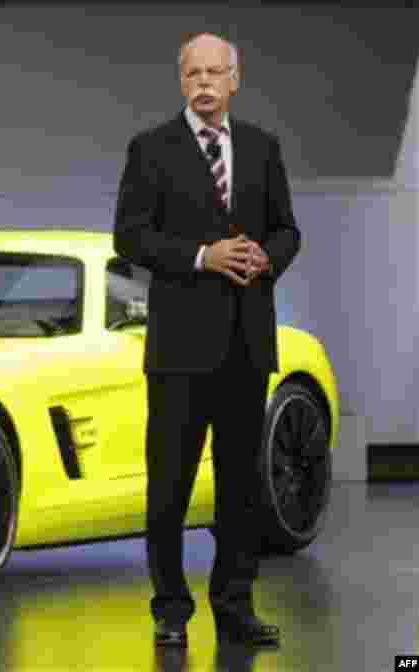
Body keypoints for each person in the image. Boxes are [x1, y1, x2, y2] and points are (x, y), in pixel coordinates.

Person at [113, 33, 300, 648]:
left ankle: (235, 606)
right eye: (193, 73)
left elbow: (287, 231)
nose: (204, 84)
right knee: (169, 486)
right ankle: (170, 609)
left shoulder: (264, 148)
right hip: (179, 353)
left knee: (241, 489)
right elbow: (130, 238)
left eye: (215, 72)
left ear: (235, 79)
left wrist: (262, 259)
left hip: (247, 345)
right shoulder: (151, 149)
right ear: (181, 81)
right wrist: (202, 255)